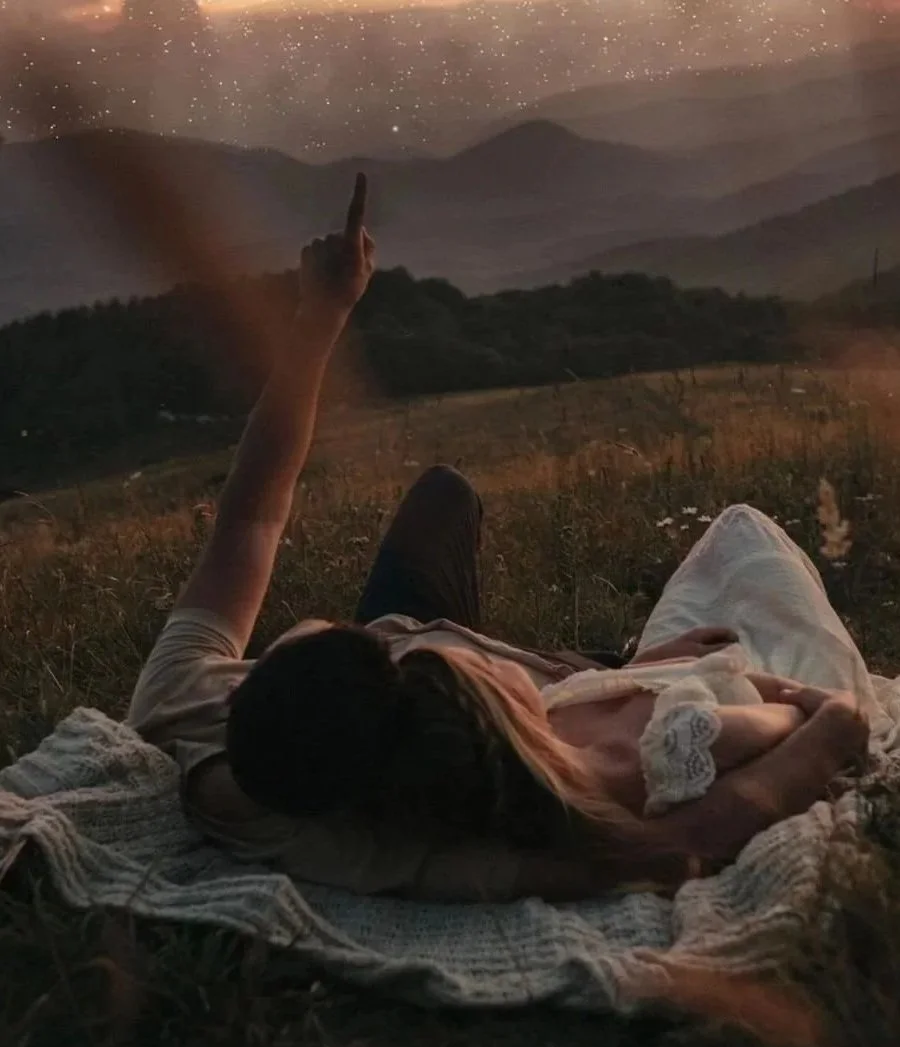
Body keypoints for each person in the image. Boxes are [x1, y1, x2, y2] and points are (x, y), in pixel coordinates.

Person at [128, 175, 871, 903]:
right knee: (743, 585)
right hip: (519, 700)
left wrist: (319, 316)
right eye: (317, 633)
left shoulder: (182, 701)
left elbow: (251, 518)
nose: (309, 625)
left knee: (442, 494)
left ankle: (600, 666)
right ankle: (613, 663)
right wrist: (830, 725)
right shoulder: (408, 832)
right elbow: (677, 849)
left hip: (447, 684)